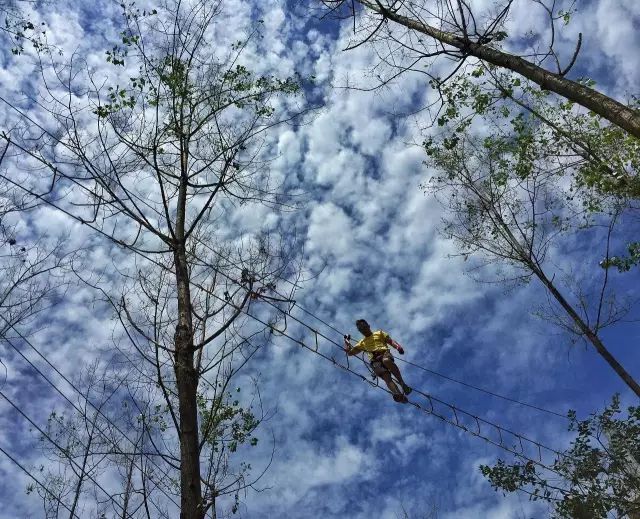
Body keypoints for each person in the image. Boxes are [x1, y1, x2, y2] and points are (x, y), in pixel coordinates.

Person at [344, 319, 412, 403]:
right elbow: (350, 353)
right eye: (361, 329)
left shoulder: (379, 333)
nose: (363, 329)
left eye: (364, 327)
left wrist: (398, 347)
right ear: (359, 331)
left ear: (368, 326)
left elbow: (390, 341)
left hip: (384, 353)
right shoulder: (362, 343)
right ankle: (399, 395)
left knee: (386, 360)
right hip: (374, 361)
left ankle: (402, 383)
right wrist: (346, 341)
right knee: (387, 378)